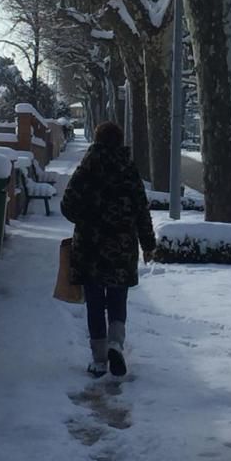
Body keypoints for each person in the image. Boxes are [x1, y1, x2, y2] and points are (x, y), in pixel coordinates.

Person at [61, 121, 156, 377]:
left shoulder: (87, 168)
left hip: (90, 247)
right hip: (122, 247)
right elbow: (141, 209)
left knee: (94, 302)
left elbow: (67, 205)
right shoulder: (129, 169)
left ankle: (99, 358)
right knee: (117, 298)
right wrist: (148, 244)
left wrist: (86, 219)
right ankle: (116, 342)